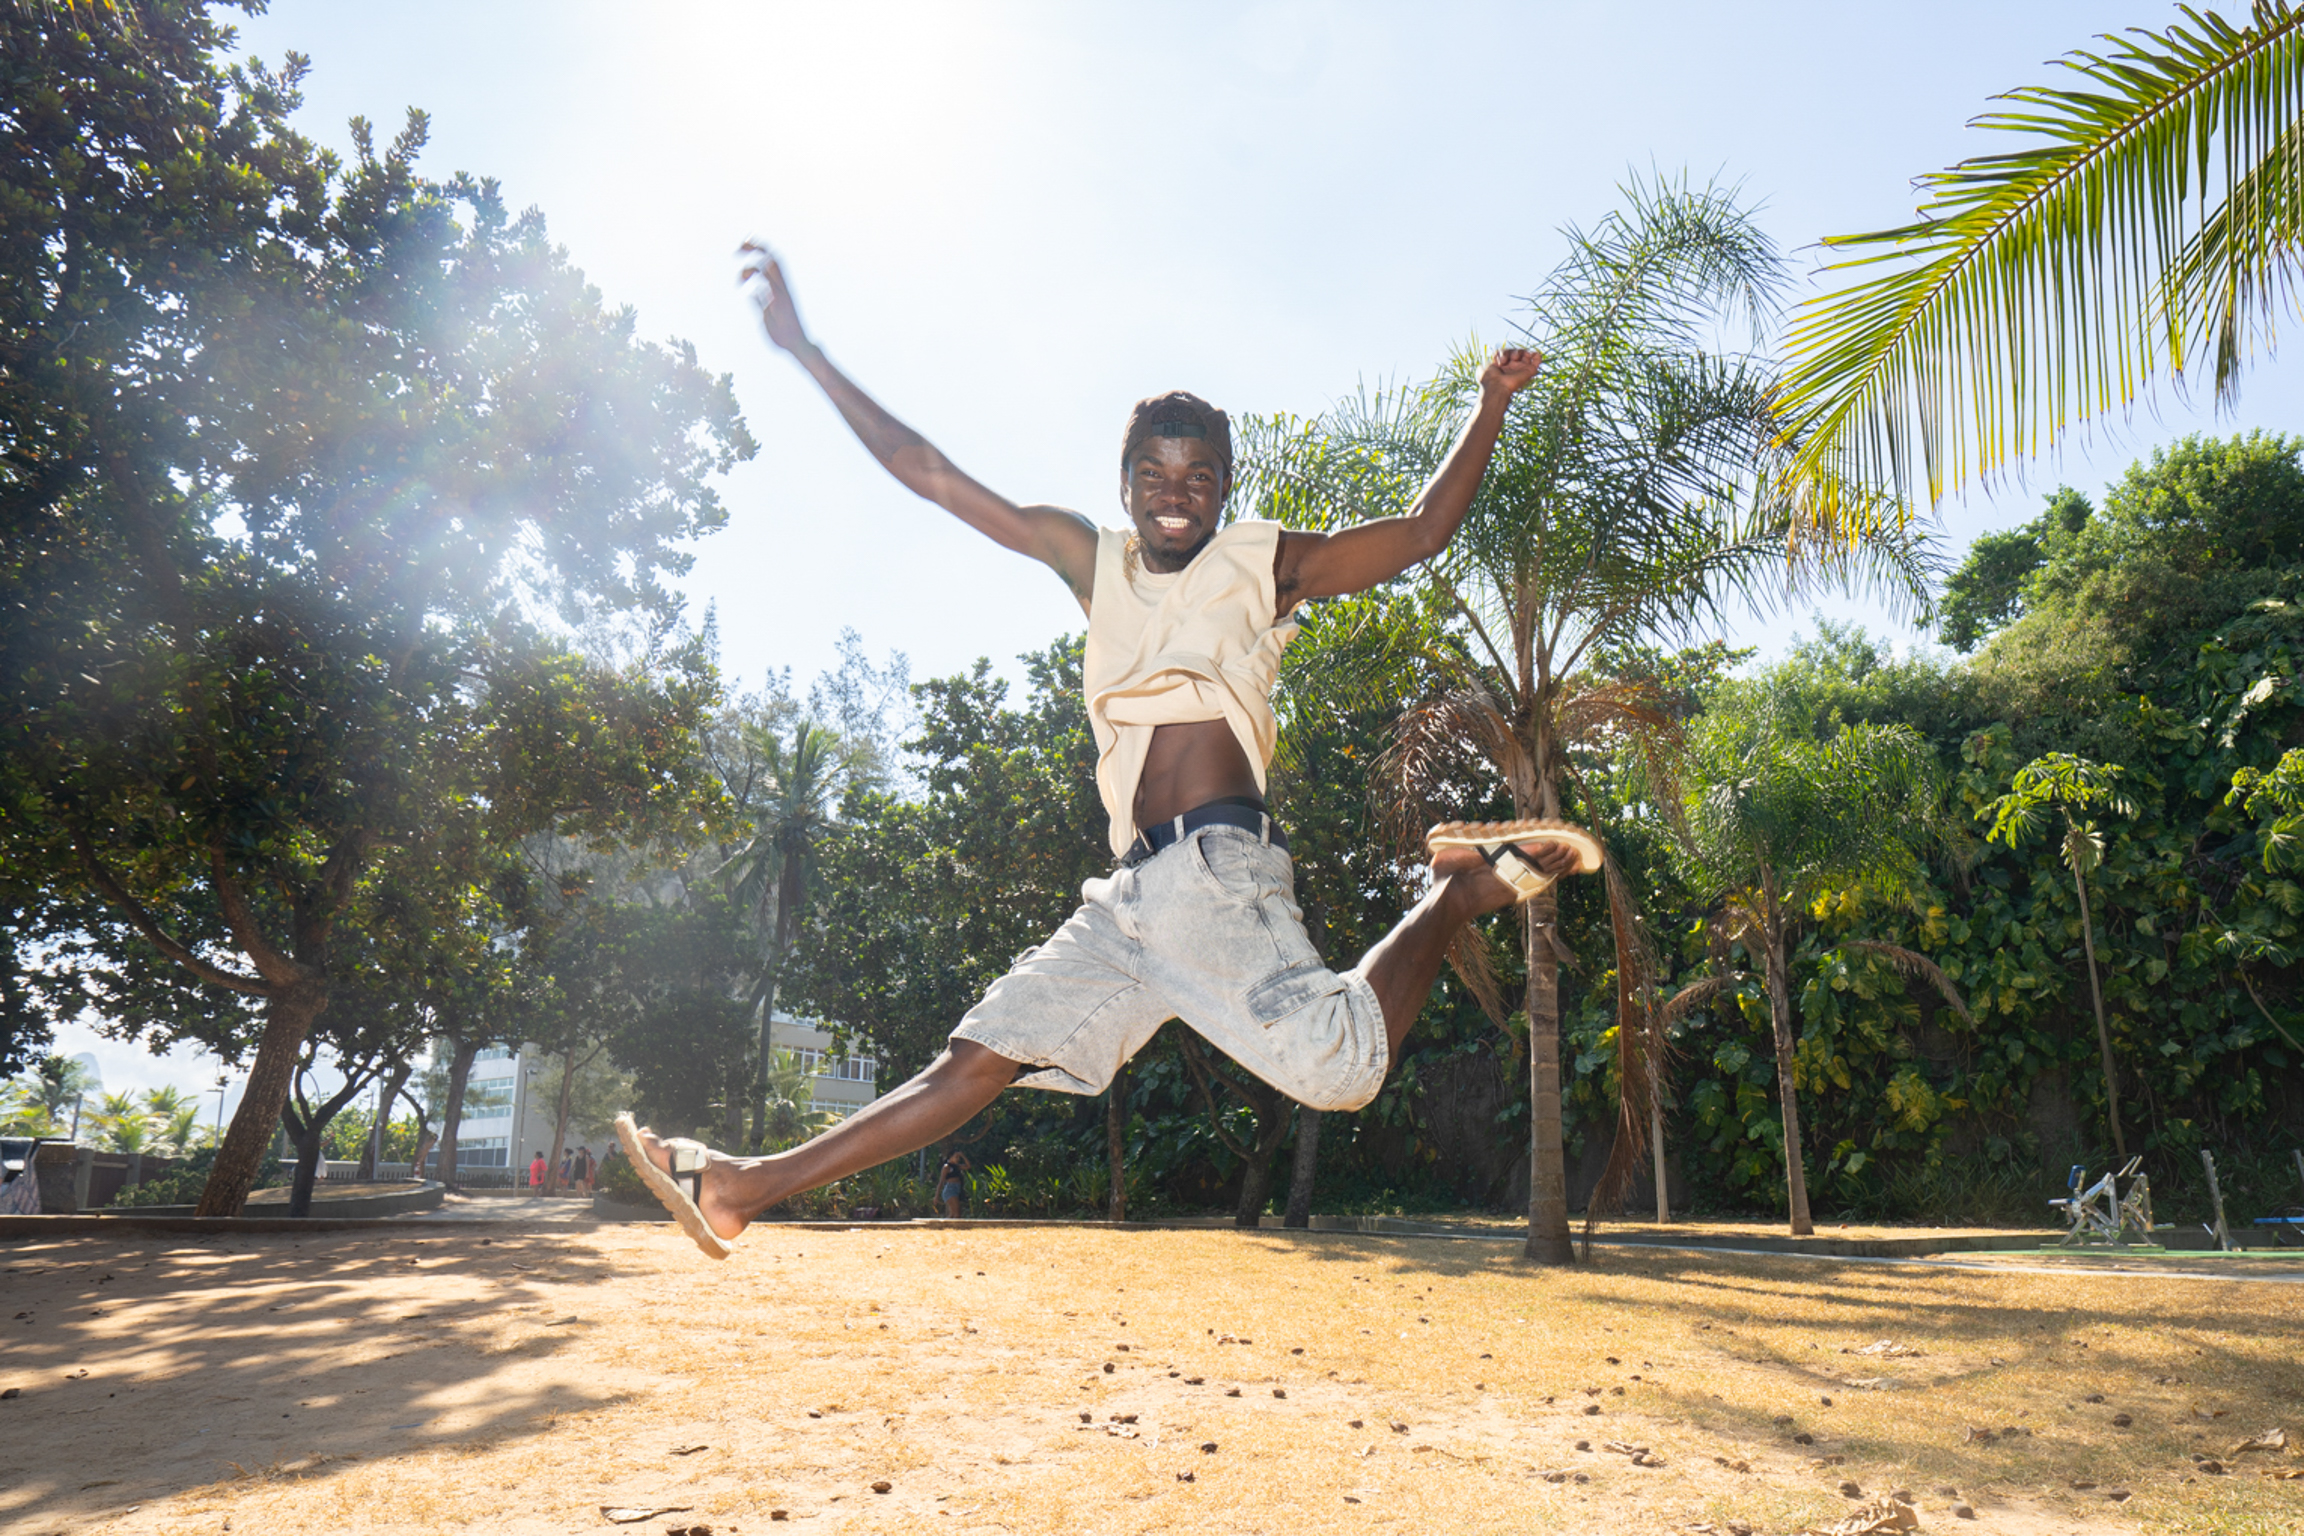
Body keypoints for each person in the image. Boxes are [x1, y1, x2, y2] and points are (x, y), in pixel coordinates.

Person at [618, 247, 1599, 1260]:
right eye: (1154, 474)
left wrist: (1488, 407)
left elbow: (1422, 532)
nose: (1175, 493)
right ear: (1126, 484)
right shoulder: (1093, 561)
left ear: (1224, 488)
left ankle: (1455, 894)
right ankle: (739, 1186)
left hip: (1217, 875)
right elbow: (932, 477)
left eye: (1199, 476)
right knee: (975, 1058)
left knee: (1346, 1071)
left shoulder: (1264, 564)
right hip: (1127, 901)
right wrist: (810, 355)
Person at [937, 1149, 971, 1219]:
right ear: (950, 1157)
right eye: (956, 1157)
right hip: (950, 1189)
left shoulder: (957, 1166)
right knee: (957, 1213)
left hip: (957, 1189)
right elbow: (941, 1181)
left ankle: (946, 1226)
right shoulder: (947, 1167)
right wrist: (936, 1196)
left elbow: (968, 1166)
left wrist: (962, 1156)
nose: (958, 1159)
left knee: (953, 1214)